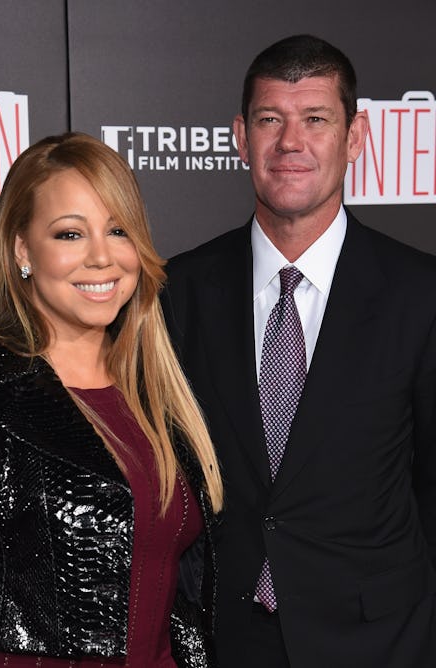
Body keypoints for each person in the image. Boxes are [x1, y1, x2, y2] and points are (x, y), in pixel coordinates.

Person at [161, 34, 436, 667]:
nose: (291, 142)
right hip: (223, 638)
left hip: (381, 641)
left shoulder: (421, 294)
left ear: (355, 137)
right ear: (240, 137)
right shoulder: (178, 291)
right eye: (269, 120)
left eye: (315, 119)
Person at [0, 131, 223, 668]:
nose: (101, 257)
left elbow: (180, 595)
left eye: (118, 231)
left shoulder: (157, 391)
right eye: (70, 234)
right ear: (22, 250)